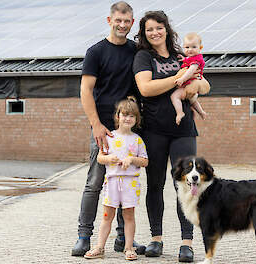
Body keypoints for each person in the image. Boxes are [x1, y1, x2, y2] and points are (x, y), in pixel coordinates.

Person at [132, 10, 210, 263]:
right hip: (154, 130)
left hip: (184, 130)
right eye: (149, 29)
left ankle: (187, 242)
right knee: (155, 184)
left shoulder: (181, 55)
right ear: (144, 34)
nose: (155, 32)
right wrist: (179, 78)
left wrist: (196, 85)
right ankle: (156, 238)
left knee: (188, 184)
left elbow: (204, 84)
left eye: (159, 27)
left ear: (167, 29)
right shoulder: (143, 56)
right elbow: (146, 88)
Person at [71, 1, 146, 257]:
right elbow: (85, 91)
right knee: (94, 182)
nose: (123, 25)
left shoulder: (136, 51)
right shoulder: (96, 52)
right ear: (109, 20)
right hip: (103, 129)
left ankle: (124, 239)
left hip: (129, 130)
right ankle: (84, 236)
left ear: (132, 23)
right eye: (118, 20)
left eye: (127, 21)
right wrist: (96, 125)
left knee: (126, 182)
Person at [84, 97, 148, 261]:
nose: (127, 118)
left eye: (131, 116)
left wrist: (132, 160)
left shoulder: (137, 140)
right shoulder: (109, 137)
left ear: (136, 119)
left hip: (130, 183)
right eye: (124, 115)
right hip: (112, 182)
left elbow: (145, 161)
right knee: (107, 215)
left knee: (129, 216)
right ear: (117, 116)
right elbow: (100, 158)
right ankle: (99, 247)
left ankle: (128, 247)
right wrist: (109, 159)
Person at [172, 32, 210, 125]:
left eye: (193, 47)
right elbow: (189, 61)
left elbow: (191, 71)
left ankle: (180, 113)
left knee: (174, 96)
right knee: (193, 100)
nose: (190, 50)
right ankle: (201, 112)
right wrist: (184, 59)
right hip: (191, 87)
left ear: (200, 48)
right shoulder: (193, 58)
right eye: (187, 47)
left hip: (189, 85)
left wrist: (182, 79)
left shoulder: (197, 60)